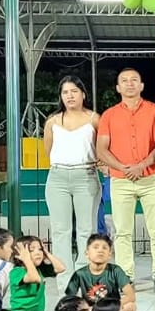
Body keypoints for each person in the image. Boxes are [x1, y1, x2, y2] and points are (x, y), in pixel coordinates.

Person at [97, 67, 155, 293]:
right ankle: (126, 276)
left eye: (134, 80)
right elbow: (101, 149)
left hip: (151, 178)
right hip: (121, 180)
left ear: (141, 85)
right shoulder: (108, 115)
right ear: (118, 87)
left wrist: (142, 165)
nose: (129, 84)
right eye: (124, 80)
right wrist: (122, 167)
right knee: (122, 231)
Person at [44, 75, 102, 272]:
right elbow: (48, 150)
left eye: (74, 91)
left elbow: (101, 149)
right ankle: (64, 277)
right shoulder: (52, 122)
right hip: (58, 177)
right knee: (61, 231)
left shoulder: (94, 119)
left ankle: (85, 274)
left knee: (87, 229)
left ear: (83, 94)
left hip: (85, 175)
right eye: (65, 92)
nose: (70, 96)